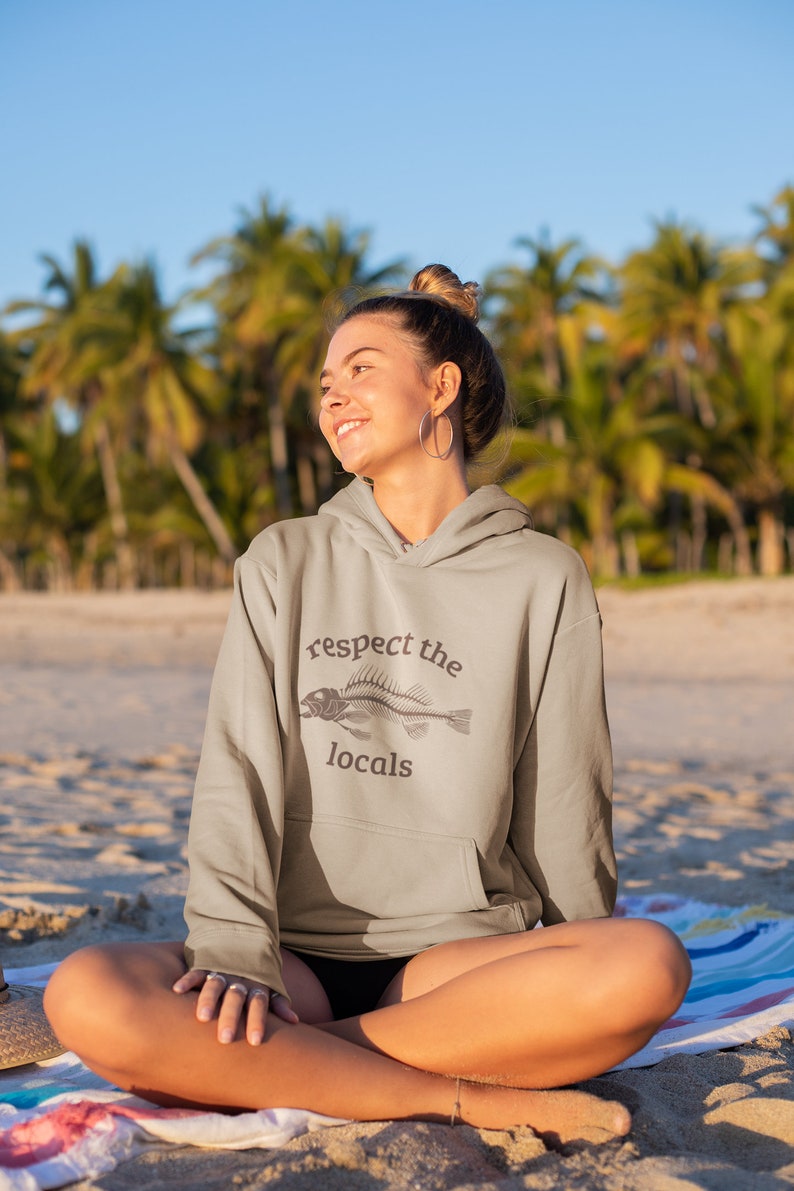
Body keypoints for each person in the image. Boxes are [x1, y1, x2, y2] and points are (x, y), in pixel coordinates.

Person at [45, 265, 691, 1143]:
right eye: (324, 382)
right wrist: (235, 948)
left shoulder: (544, 576)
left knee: (647, 964)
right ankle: (464, 1097)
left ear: (441, 386)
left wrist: (560, 965)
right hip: (287, 961)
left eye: (359, 369)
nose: (332, 396)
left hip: (452, 964)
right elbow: (238, 764)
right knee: (86, 993)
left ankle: (296, 1063)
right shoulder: (284, 559)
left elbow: (567, 795)